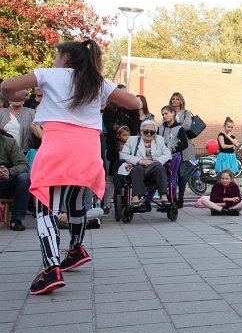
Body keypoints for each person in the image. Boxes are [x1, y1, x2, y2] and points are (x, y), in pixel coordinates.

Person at [1, 39, 141, 294]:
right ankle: (75, 249)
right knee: (77, 200)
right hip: (88, 148)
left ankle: (51, 268)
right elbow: (135, 103)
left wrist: (15, 95)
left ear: (65, 58)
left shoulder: (50, 75)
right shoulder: (98, 82)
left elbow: (6, 86)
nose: (55, 60)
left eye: (57, 55)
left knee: (46, 207)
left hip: (58, 145)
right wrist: (102, 100)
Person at [121, 119, 174, 209]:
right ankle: (135, 198)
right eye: (146, 131)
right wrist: (140, 161)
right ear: (141, 131)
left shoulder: (160, 140)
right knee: (138, 168)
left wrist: (156, 162)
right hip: (138, 170)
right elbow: (123, 155)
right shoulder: (132, 140)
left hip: (154, 172)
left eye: (152, 132)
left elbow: (168, 154)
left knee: (159, 167)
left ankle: (164, 196)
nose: (149, 134)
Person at [168, 92, 197, 207]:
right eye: (173, 99)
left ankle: (181, 196)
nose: (175, 100)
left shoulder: (186, 113)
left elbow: (187, 126)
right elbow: (166, 126)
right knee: (172, 174)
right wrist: (179, 124)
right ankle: (172, 196)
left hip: (185, 147)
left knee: (182, 174)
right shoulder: (168, 113)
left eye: (177, 99)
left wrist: (174, 123)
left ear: (181, 101)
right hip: (172, 147)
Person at [157, 105, 190, 200]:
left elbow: (185, 144)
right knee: (161, 177)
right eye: (163, 114)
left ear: (173, 113)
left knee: (172, 177)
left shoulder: (179, 128)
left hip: (174, 156)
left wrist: (173, 149)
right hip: (162, 156)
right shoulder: (161, 127)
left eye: (166, 113)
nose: (164, 116)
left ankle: (173, 198)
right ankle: (162, 197)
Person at [0, 131, 31, 230]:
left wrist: (9, 172)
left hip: (5, 184)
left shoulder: (9, 142)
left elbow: (24, 165)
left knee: (24, 177)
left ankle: (16, 219)